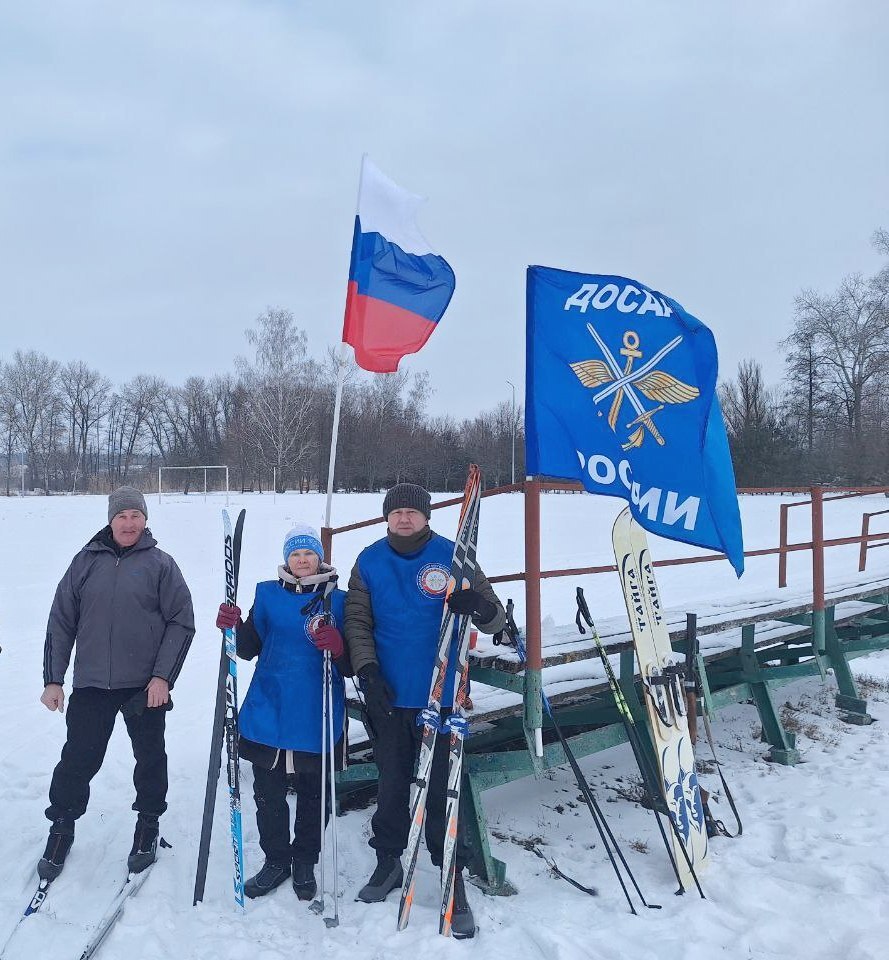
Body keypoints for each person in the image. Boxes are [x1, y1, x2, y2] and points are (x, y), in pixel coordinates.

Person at [345, 482, 506, 940]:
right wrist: (367, 671)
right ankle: (388, 862)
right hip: (389, 696)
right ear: (386, 517)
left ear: (426, 515)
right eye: (395, 511)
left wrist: (475, 603)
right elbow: (357, 621)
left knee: (441, 792)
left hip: (441, 696)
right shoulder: (370, 560)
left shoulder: (454, 556)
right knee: (392, 784)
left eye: (412, 511)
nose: (403, 518)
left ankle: (451, 875)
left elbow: (495, 621)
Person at [39, 486, 195, 879]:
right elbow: (61, 621)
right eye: (122, 516)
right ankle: (62, 825)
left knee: (149, 757)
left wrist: (163, 677)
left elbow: (181, 621)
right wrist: (53, 680)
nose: (129, 523)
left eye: (136, 516)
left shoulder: (161, 564)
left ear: (145, 520)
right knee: (78, 758)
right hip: (92, 683)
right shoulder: (84, 562)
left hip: (144, 685)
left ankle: (148, 822)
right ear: (110, 520)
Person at [216, 523, 350, 901]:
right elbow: (248, 647)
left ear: (319, 558)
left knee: (313, 792)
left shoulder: (337, 600)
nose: (303, 560)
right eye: (295, 554)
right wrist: (233, 626)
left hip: (316, 709)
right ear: (286, 558)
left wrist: (339, 647)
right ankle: (276, 859)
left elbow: (352, 663)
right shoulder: (268, 594)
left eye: (309, 553)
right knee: (267, 792)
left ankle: (305, 858)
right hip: (270, 705)